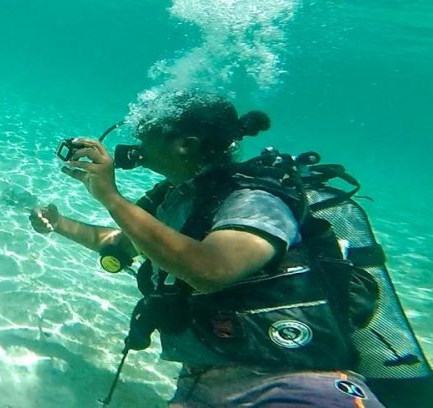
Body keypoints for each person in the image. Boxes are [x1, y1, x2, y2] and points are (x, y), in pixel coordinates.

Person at [30, 91, 392, 407]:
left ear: (185, 145)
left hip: (295, 383)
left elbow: (210, 270)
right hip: (202, 382)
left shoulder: (255, 200)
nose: (137, 146)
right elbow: (123, 243)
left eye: (146, 136)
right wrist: (59, 223)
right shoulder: (175, 198)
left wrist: (111, 197)